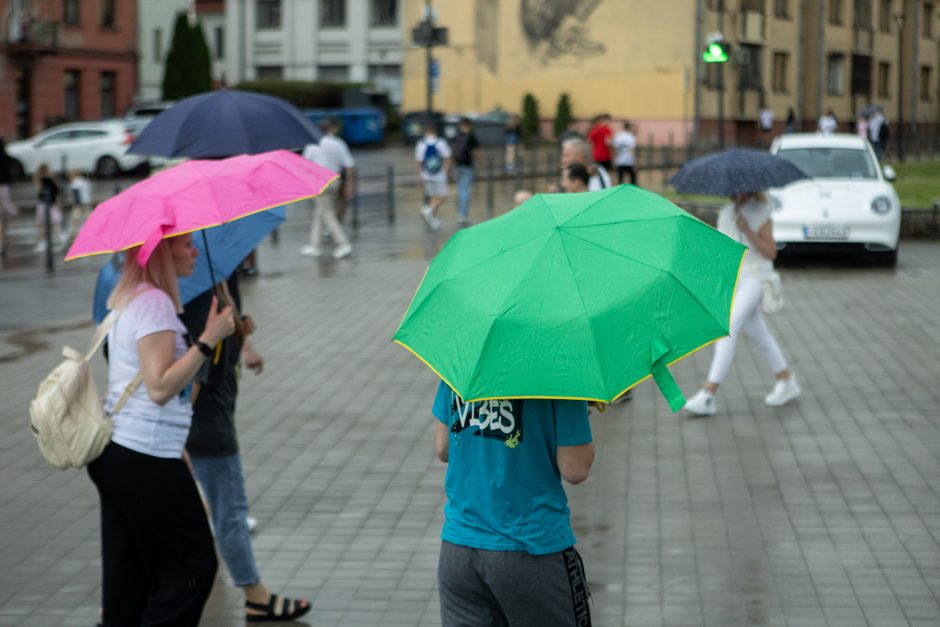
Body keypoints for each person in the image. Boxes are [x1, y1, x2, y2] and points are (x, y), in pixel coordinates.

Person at [88, 234, 236, 626]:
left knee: (129, 577)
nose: (195, 251)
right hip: (143, 456)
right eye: (186, 244)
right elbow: (158, 387)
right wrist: (208, 340)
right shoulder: (153, 303)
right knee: (194, 568)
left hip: (125, 452)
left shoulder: (131, 297)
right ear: (162, 254)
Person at [181, 277, 312, 623]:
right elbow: (197, 371)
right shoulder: (202, 296)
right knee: (231, 515)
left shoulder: (219, 284)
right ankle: (256, 595)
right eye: (188, 245)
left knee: (222, 511)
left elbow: (219, 349)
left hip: (212, 419)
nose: (193, 251)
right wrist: (176, 434)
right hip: (209, 427)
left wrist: (240, 335)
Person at [433, 383, 595, 626]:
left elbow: (443, 448)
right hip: (533, 549)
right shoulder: (561, 375)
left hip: (461, 550)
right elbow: (575, 469)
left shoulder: (464, 361)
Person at [684, 192, 801, 417]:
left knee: (729, 328)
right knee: (760, 335)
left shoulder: (760, 212)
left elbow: (771, 253)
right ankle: (786, 381)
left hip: (756, 278)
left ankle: (708, 394)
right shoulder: (726, 213)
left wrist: (747, 230)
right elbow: (720, 251)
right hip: (735, 281)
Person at [301, 118, 354, 258]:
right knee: (320, 212)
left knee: (326, 213)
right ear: (332, 129)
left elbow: (304, 166)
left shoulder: (312, 145)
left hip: (319, 182)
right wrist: (349, 184)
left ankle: (343, 243)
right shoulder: (338, 143)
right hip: (335, 180)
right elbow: (348, 165)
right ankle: (314, 245)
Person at [415, 124, 452, 230]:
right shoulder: (440, 142)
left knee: (433, 196)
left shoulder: (421, 143)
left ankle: (432, 219)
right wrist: (447, 171)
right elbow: (447, 157)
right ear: (435, 132)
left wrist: (419, 176)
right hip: (439, 175)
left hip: (426, 175)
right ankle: (429, 211)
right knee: (444, 196)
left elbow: (418, 161)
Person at [451, 117, 480, 226]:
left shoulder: (456, 137)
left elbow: (451, 154)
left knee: (460, 190)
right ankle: (462, 215)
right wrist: (481, 163)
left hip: (457, 166)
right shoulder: (471, 137)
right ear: (469, 126)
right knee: (465, 191)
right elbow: (477, 152)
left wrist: (449, 168)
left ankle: (460, 213)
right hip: (467, 166)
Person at [34, 162, 63, 252]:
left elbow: (40, 193)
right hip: (50, 204)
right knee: (54, 223)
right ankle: (59, 239)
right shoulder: (49, 179)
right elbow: (56, 192)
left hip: (43, 204)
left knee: (43, 224)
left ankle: (44, 242)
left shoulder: (40, 180)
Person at [0, 137, 20, 257]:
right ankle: (3, 244)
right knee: (3, 218)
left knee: (1, 218)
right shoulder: (7, 158)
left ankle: (2, 244)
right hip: (5, 186)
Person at [66, 169, 92, 243]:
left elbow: (76, 195)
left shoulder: (75, 183)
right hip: (87, 202)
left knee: (75, 220)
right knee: (88, 219)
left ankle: (74, 235)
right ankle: (90, 234)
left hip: (79, 204)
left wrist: (77, 205)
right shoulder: (84, 181)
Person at [612, 121, 638, 186]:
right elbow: (632, 151)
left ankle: (620, 195)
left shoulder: (618, 136)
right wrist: (635, 162)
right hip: (629, 162)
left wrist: (614, 160)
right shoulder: (631, 137)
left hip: (619, 161)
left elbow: (615, 149)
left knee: (620, 181)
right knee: (633, 182)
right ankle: (632, 194)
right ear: (629, 128)